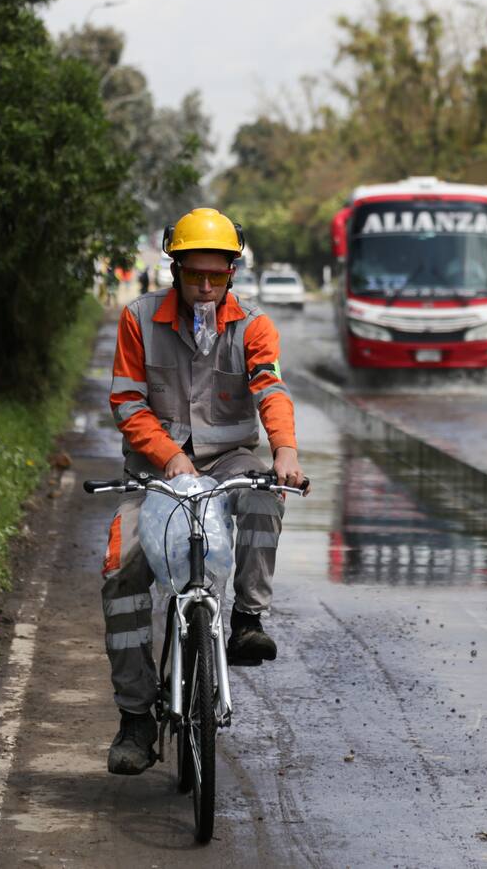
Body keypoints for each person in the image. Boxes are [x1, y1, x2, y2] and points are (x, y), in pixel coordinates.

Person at [100, 207, 307, 775]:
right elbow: (126, 403)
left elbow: (271, 389)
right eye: (196, 276)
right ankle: (136, 718)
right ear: (176, 271)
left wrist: (284, 450)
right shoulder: (139, 318)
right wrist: (169, 459)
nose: (207, 288)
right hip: (154, 470)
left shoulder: (254, 325)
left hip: (228, 460)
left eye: (218, 276)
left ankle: (247, 620)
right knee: (123, 569)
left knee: (265, 492)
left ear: (233, 273)